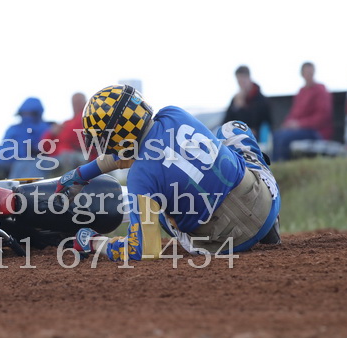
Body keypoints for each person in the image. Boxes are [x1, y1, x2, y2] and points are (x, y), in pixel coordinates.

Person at [55, 84, 281, 262]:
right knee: (231, 129)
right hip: (265, 205)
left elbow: (144, 250)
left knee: (161, 210)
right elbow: (148, 151)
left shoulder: (140, 178)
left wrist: (94, 241)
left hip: (224, 244)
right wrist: (82, 173)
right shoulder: (174, 114)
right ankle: (270, 226)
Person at [272, 62, 333, 161]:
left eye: (311, 72)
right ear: (302, 74)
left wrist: (300, 124)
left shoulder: (321, 90)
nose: (309, 75)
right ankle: (273, 167)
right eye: (306, 73)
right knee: (277, 135)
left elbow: (322, 117)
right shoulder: (301, 92)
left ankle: (283, 164)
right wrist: (287, 124)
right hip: (301, 130)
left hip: (316, 132)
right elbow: (294, 113)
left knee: (284, 138)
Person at [0, 97, 51, 179]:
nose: (26, 116)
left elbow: (44, 148)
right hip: (6, 164)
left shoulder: (46, 128)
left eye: (30, 113)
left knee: (25, 166)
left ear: (37, 113)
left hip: (29, 164)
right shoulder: (13, 129)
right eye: (24, 113)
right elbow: (3, 148)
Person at [40, 92, 93, 176]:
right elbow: (44, 146)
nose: (76, 104)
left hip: (78, 156)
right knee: (34, 164)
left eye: (79, 101)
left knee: (67, 157)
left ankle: (67, 182)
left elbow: (74, 136)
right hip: (58, 157)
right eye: (74, 102)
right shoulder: (66, 123)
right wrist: (51, 134)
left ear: (85, 103)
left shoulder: (88, 120)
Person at [223, 65, 272, 140]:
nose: (241, 84)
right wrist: (236, 108)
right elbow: (226, 122)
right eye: (239, 82)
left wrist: (241, 109)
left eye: (243, 81)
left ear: (249, 78)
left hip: (256, 136)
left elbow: (261, 122)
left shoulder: (260, 99)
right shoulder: (236, 99)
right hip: (236, 135)